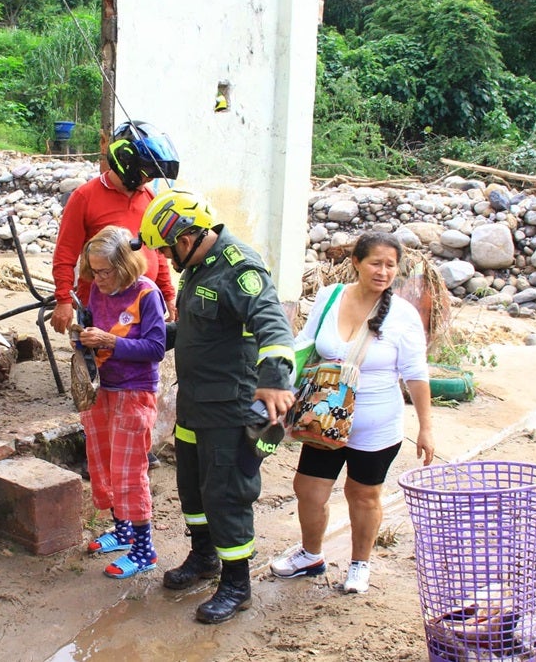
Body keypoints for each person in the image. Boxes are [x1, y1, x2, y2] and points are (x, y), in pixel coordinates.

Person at [134, 188, 296, 623]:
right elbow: (194, 329)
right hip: (194, 403)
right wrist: (133, 339)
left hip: (228, 408)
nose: (167, 259)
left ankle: (237, 584)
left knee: (226, 495)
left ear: (184, 240)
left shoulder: (239, 269)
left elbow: (273, 325)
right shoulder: (198, 268)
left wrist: (276, 382)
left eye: (167, 250)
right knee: (192, 487)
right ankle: (203, 558)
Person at [269, 232, 434, 594]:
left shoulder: (402, 315)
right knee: (309, 490)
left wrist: (426, 427)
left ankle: (360, 565)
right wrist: (278, 381)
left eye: (391, 265)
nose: (383, 271)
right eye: (376, 262)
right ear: (356, 263)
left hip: (376, 426)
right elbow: (304, 344)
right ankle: (310, 554)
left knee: (363, 495)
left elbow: (416, 375)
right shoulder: (330, 298)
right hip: (324, 419)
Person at [50, 120, 181, 470]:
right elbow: (65, 253)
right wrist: (63, 298)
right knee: (97, 379)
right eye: (144, 172)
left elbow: (157, 252)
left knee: (135, 374)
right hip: (99, 303)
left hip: (143, 303)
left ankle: (135, 444)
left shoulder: (149, 198)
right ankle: (96, 450)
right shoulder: (85, 197)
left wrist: (169, 294)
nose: (147, 179)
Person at [74, 226, 168, 578]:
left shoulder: (147, 294)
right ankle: (122, 529)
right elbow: (94, 334)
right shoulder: (97, 292)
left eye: (105, 271)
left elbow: (156, 349)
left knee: (130, 471)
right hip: (102, 389)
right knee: (105, 465)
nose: (98, 279)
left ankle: (145, 550)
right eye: (93, 271)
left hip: (134, 390)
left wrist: (110, 343)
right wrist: (82, 340)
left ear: (124, 266)